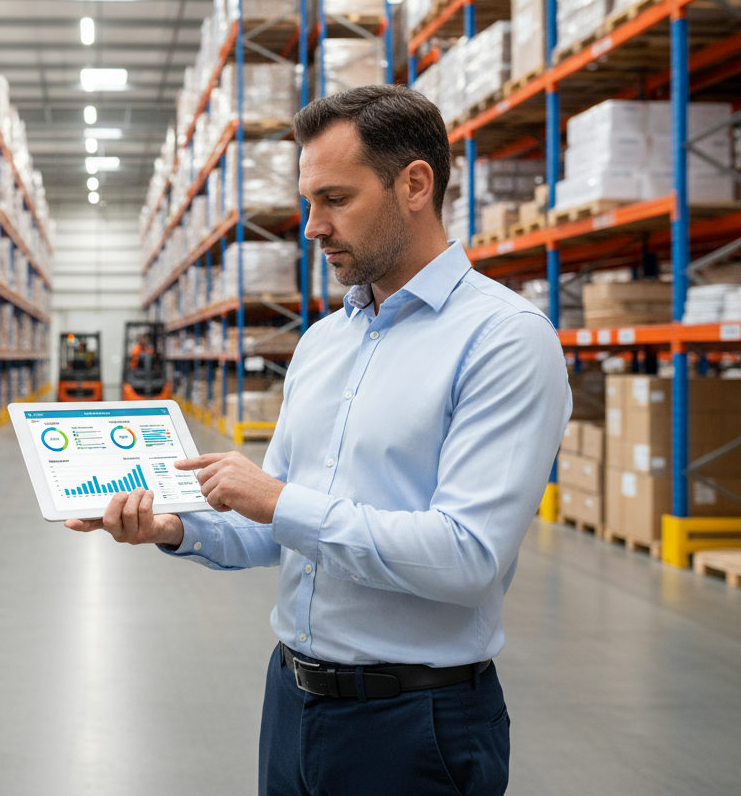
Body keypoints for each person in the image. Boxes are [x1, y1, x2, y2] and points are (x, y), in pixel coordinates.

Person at [67, 85, 571, 796]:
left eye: (335, 199)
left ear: (415, 185)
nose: (312, 226)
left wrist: (276, 501)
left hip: (415, 724)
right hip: (292, 702)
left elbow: (469, 560)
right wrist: (176, 527)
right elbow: (281, 530)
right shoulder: (324, 342)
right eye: (309, 201)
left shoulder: (503, 342)